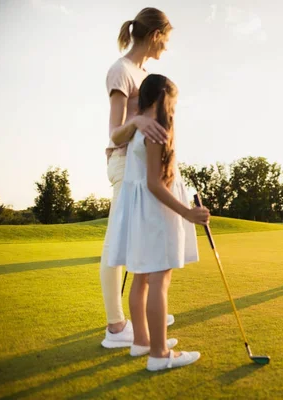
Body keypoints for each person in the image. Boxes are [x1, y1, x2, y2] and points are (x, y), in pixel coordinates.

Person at [107, 73, 210, 371]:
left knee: (141, 277)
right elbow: (154, 183)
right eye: (174, 103)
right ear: (164, 98)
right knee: (158, 281)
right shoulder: (157, 129)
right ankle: (159, 354)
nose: (175, 110)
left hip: (143, 213)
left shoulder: (140, 130)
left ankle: (142, 341)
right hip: (154, 213)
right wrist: (187, 213)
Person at [101, 7, 175, 349]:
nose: (167, 47)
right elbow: (115, 133)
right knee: (117, 243)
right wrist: (137, 123)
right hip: (122, 163)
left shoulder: (144, 74)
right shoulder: (122, 71)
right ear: (156, 35)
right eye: (167, 39)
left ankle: (142, 316)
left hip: (138, 163)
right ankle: (117, 327)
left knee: (138, 240)